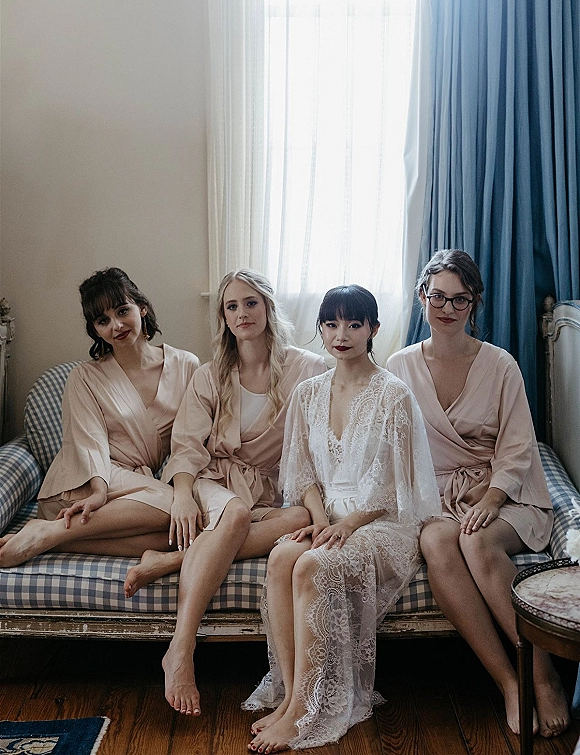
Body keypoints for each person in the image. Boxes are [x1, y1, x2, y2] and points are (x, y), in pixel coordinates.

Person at [244, 285, 441, 752]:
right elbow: (301, 474)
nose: (341, 334)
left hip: (383, 523)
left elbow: (398, 488)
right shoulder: (308, 393)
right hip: (328, 518)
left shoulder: (393, 394)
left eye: (354, 324)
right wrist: (318, 519)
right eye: (331, 324)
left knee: (312, 565)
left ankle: (305, 710)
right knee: (282, 558)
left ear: (373, 329)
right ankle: (290, 697)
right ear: (320, 329)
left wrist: (348, 525)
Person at [387, 249, 570, 738]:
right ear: (422, 297)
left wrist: (492, 497)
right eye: (438, 297)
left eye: (460, 299)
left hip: (505, 490)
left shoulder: (500, 364)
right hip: (437, 496)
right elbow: (395, 448)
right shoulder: (399, 366)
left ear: (475, 303)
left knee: (476, 540)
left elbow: (518, 446)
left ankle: (541, 673)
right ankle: (509, 682)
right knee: (437, 541)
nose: (447, 308)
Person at [128, 269, 328, 718]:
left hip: (267, 491)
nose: (242, 313)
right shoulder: (210, 374)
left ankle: (171, 560)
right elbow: (186, 447)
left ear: (268, 307)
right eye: (232, 306)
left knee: (300, 518)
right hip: (212, 481)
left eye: (250, 303)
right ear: (223, 315)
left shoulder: (307, 369)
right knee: (234, 515)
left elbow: (322, 440)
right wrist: (182, 495)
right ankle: (180, 649)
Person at [0, 267, 200, 597]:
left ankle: (51, 537)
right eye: (102, 320)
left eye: (122, 311)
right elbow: (88, 442)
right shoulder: (85, 376)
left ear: (142, 308)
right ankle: (52, 530)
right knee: (171, 502)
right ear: (94, 329)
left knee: (179, 530)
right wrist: (98, 491)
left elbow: (191, 437)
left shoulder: (186, 365)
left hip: (134, 494)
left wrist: (188, 486)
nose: (115, 326)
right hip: (82, 484)